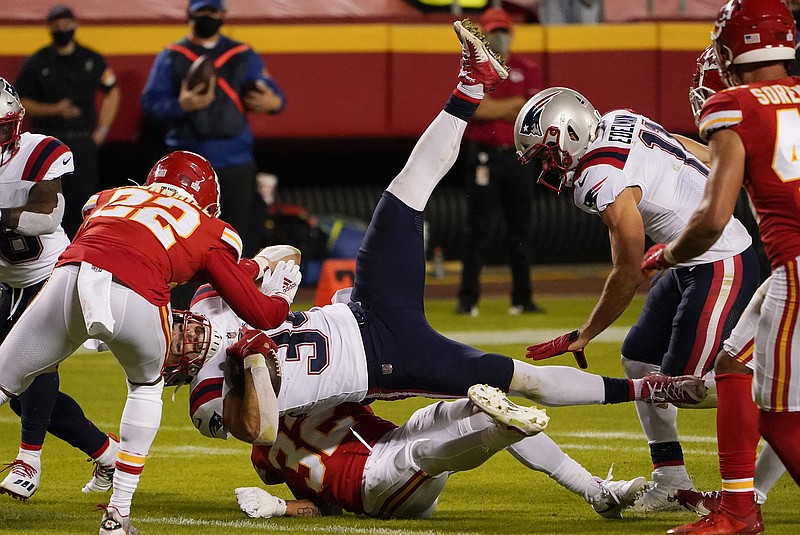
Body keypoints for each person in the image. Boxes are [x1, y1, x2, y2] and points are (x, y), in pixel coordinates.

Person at [161, 22, 707, 470]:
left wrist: (255, 276)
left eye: (173, 324)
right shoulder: (208, 400)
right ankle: (649, 395)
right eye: (172, 346)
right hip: (388, 362)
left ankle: (471, 84)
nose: (183, 333)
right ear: (173, 371)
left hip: (369, 306)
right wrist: (245, 366)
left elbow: (286, 260)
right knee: (522, 384)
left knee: (404, 191)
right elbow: (255, 427)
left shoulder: (209, 304)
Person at [0, 150, 299, 535]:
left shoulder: (108, 198)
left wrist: (250, 268)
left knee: (4, 380)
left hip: (70, 277)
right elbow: (262, 314)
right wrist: (281, 292)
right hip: (137, 295)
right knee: (144, 387)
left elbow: (122, 244)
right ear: (208, 198)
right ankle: (117, 515)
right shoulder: (211, 229)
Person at [514, 84, 759, 513]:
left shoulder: (598, 177)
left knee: (687, 389)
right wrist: (717, 161)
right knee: (640, 361)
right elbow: (677, 144)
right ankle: (671, 481)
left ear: (569, 136)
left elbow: (627, 272)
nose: (547, 167)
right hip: (686, 261)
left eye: (546, 155)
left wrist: (584, 334)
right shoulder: (619, 118)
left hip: (719, 261)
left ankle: (782, 393)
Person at [640, 0, 800, 531]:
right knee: (735, 367)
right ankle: (738, 504)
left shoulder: (734, 106)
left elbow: (712, 218)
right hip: (786, 271)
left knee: (777, 408)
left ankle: (739, 510)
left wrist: (667, 254)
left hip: (797, 266)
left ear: (734, 48)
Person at [230, 392, 648, 521]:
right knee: (423, 453)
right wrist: (281, 507)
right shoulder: (266, 447)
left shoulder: (320, 383)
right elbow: (326, 509)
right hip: (373, 487)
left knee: (474, 404)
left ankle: (597, 492)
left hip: (389, 444)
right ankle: (501, 432)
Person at [0, 77, 118, 502]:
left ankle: (28, 461)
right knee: (17, 394)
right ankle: (108, 454)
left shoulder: (37, 150)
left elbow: (47, 215)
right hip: (8, 283)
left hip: (53, 275)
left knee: (33, 366)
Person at [141, 0, 285, 260]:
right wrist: (180, 105)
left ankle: (235, 297)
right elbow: (151, 104)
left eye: (212, 11)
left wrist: (274, 102)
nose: (207, 16)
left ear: (222, 15)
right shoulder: (172, 55)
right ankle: (184, 299)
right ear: (189, 15)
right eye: (202, 12)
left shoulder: (241, 54)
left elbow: (274, 95)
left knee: (237, 239)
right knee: (183, 240)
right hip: (186, 165)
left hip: (235, 161)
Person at [457, 7, 544, 317]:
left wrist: (499, 107)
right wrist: (512, 106)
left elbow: (530, 111)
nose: (500, 37)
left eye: (504, 31)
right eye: (494, 31)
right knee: (478, 229)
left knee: (520, 229)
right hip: (484, 154)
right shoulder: (475, 70)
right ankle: (467, 300)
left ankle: (523, 298)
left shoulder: (527, 67)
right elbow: (478, 110)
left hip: (519, 156)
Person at [14, 4, 120, 238]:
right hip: (48, 142)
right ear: (50, 27)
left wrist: (102, 130)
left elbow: (112, 91)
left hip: (82, 143)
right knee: (46, 202)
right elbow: (22, 100)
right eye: (58, 24)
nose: (63, 28)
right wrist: (55, 109)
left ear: (75, 25)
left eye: (66, 23)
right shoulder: (37, 62)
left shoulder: (91, 60)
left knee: (83, 204)